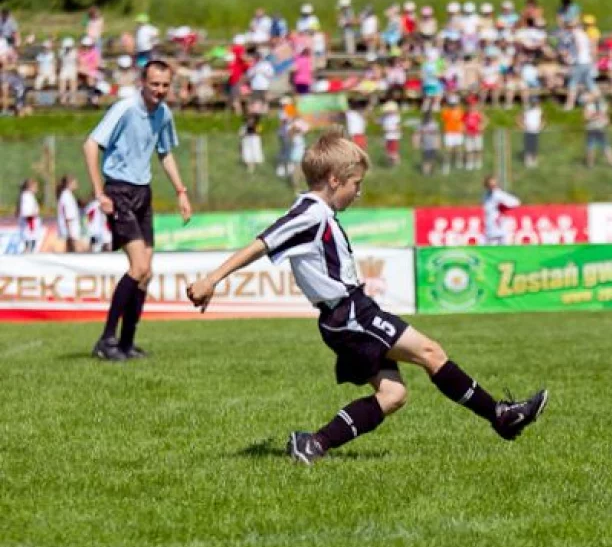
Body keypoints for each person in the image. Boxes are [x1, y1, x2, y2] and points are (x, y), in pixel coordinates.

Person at [186, 132, 547, 463]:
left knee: (393, 395)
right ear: (334, 180)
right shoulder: (310, 212)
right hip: (349, 313)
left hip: (345, 315)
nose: (358, 192)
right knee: (431, 352)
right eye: (355, 183)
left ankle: (313, 443)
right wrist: (212, 279)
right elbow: (263, 242)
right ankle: (500, 416)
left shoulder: (319, 213)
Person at [82, 60, 192, 361]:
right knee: (138, 267)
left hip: (143, 192)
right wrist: (99, 192)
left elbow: (165, 152)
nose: (159, 90)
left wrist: (181, 191)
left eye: (165, 85)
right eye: (154, 83)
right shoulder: (125, 109)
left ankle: (127, 344)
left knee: (146, 273)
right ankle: (106, 340)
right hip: (119, 191)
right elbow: (91, 145)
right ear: (142, 82)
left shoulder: (164, 113)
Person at [583, 91, 612, 169]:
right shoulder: (590, 106)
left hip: (599, 128)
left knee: (605, 147)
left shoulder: (601, 106)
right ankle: (590, 166)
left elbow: (607, 119)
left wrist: (603, 120)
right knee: (592, 147)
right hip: (592, 128)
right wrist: (596, 117)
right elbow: (586, 117)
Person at [483, 175, 520, 245]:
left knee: (501, 249)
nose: (492, 186)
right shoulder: (485, 195)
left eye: (494, 184)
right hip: (489, 227)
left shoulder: (498, 194)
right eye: (490, 185)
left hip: (499, 226)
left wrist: (504, 207)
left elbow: (516, 202)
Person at [56, 175, 83, 252]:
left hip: (70, 227)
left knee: (70, 251)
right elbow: (67, 214)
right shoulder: (66, 196)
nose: (77, 184)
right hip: (71, 227)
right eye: (75, 182)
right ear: (69, 183)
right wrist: (70, 230)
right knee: (76, 249)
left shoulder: (67, 195)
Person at [517, 97, 544, 169]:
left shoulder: (539, 110)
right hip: (528, 130)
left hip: (535, 131)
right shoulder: (526, 109)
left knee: (534, 145)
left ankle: (534, 160)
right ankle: (528, 161)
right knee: (528, 145)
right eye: (533, 102)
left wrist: (541, 126)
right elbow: (519, 118)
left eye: (536, 103)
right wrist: (522, 125)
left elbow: (542, 119)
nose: (534, 104)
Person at [463, 95, 488, 171]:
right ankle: (469, 162)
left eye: (472, 105)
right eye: (469, 105)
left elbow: (486, 121)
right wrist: (464, 130)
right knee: (469, 150)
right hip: (468, 134)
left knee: (478, 149)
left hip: (477, 134)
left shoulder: (478, 114)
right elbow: (463, 123)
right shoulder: (466, 114)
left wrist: (481, 127)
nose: (471, 107)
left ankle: (478, 162)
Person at [441, 95, 465, 171]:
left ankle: (459, 163)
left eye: (454, 104)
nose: (453, 105)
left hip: (458, 132)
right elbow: (444, 120)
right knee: (448, 150)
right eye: (452, 104)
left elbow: (463, 121)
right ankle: (446, 165)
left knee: (459, 149)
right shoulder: (446, 111)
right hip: (449, 132)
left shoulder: (461, 111)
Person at [16, 178, 41, 254]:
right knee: (29, 235)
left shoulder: (29, 195)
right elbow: (26, 210)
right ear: (30, 187)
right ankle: (27, 249)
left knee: (32, 236)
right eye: (35, 187)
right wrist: (31, 215)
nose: (37, 189)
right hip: (29, 219)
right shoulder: (26, 196)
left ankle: (30, 249)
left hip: (31, 219)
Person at [415, 110, 441, 176]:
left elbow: (437, 135)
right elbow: (417, 134)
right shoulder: (421, 125)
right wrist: (417, 143)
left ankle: (432, 171)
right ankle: (425, 173)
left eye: (430, 117)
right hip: (425, 145)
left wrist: (438, 143)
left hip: (433, 144)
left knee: (432, 159)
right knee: (426, 159)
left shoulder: (434, 124)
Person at [379, 100, 402, 166]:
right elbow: (380, 125)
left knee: (394, 152)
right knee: (388, 152)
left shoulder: (396, 117)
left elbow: (398, 127)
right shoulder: (384, 117)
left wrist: (390, 130)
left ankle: (396, 164)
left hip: (393, 137)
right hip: (386, 137)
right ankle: (390, 164)